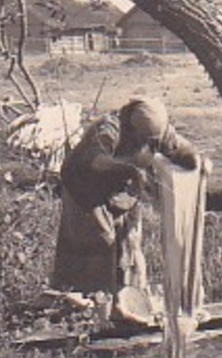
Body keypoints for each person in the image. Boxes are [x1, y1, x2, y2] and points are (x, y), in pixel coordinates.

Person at [52, 96, 202, 322]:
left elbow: (182, 150)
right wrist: (130, 168)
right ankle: (84, 306)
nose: (148, 144)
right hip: (85, 188)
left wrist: (197, 162)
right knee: (100, 243)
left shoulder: (158, 132)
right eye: (143, 139)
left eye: (152, 140)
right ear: (132, 128)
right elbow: (97, 161)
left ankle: (123, 305)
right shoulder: (109, 128)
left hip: (121, 192)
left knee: (129, 245)